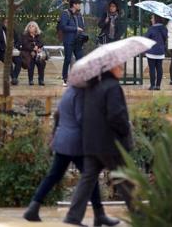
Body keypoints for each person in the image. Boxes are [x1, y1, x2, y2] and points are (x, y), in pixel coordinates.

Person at [23, 86, 119, 226]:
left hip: (63, 140)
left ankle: (33, 207)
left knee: (54, 175)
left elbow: (59, 114)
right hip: (75, 143)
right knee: (89, 176)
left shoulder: (69, 91)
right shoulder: (80, 94)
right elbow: (82, 119)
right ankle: (99, 214)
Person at [64, 65, 134, 226]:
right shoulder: (113, 87)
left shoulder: (92, 87)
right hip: (110, 144)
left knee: (87, 179)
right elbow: (116, 115)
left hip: (91, 142)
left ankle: (73, 215)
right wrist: (125, 129)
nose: (121, 68)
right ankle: (139, 214)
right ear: (111, 69)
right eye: (119, 66)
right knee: (124, 178)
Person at [59, 0, 86, 87]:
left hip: (78, 41)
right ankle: (65, 79)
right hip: (69, 41)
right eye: (78, 4)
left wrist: (83, 35)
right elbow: (63, 27)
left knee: (80, 60)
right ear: (74, 5)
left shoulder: (79, 15)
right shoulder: (65, 13)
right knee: (67, 59)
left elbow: (82, 27)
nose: (79, 5)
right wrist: (75, 29)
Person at [0, 18, 22, 85]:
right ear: (3, 23)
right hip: (2, 52)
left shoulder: (13, 31)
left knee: (19, 61)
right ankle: (14, 78)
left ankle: (14, 78)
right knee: (8, 61)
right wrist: (4, 49)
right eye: (6, 22)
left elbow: (18, 41)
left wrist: (15, 46)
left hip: (13, 51)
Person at [145, 14, 168, 90]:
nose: (151, 20)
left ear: (156, 19)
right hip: (160, 52)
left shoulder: (151, 28)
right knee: (159, 68)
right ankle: (158, 85)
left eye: (152, 18)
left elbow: (146, 38)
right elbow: (165, 38)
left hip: (151, 52)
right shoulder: (164, 28)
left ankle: (152, 85)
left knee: (152, 69)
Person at [20, 21, 46, 86]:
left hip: (37, 53)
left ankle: (41, 80)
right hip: (28, 53)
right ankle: (31, 80)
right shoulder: (25, 35)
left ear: (36, 28)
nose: (31, 27)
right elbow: (25, 44)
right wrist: (33, 48)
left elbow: (41, 43)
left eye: (33, 26)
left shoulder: (38, 35)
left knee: (41, 62)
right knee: (31, 62)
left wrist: (37, 47)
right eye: (30, 26)